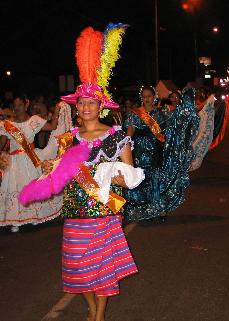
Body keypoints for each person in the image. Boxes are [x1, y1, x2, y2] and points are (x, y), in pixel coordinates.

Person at [41, 23, 138, 321]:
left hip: (105, 212)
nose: (85, 107)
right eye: (81, 102)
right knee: (76, 266)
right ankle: (93, 307)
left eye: (90, 103)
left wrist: (118, 177)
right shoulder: (68, 138)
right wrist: (50, 169)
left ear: (100, 106)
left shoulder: (116, 136)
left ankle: (99, 316)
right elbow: (60, 174)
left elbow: (130, 175)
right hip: (74, 212)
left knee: (103, 267)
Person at [124, 85, 199, 221]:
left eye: (149, 96)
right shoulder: (135, 114)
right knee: (140, 179)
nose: (147, 99)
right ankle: (143, 210)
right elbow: (130, 132)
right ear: (141, 98)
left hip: (157, 150)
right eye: (144, 96)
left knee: (156, 179)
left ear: (154, 97)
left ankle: (159, 209)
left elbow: (173, 129)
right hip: (139, 151)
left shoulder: (162, 113)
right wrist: (125, 144)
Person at [0, 94, 62, 232]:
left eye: (20, 105)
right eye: (14, 106)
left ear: (26, 104)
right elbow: (3, 141)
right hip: (14, 162)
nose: (17, 108)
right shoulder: (8, 124)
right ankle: (16, 220)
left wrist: (57, 111)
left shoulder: (34, 121)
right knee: (15, 189)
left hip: (30, 160)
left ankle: (34, 216)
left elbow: (52, 126)